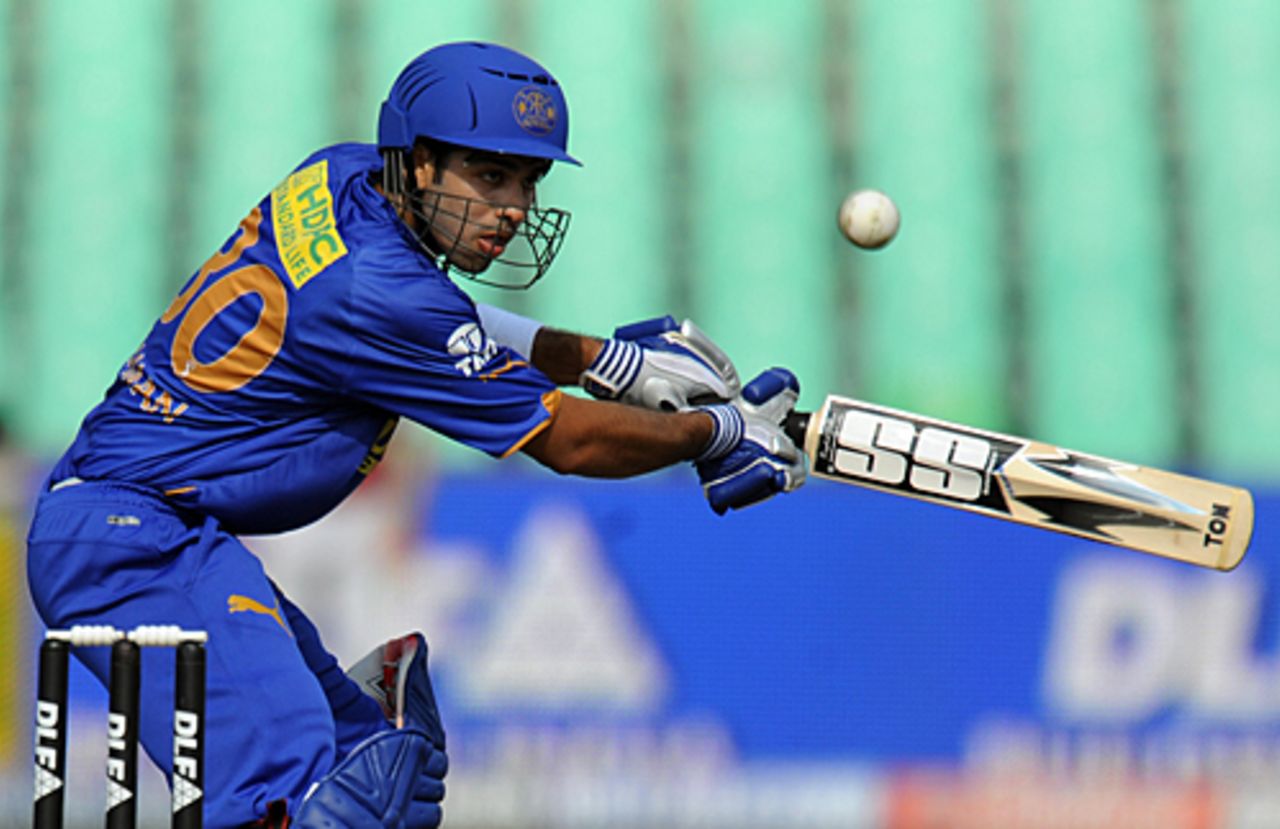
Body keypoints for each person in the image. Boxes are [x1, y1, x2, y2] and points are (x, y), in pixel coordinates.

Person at [25, 41, 805, 827]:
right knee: (307, 801)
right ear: (422, 162)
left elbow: (440, 319)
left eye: (528, 182)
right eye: (490, 175)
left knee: (379, 780)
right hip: (130, 544)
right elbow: (567, 442)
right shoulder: (383, 295)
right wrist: (715, 432)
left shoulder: (339, 177)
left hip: (152, 532)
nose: (513, 208)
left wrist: (611, 362)